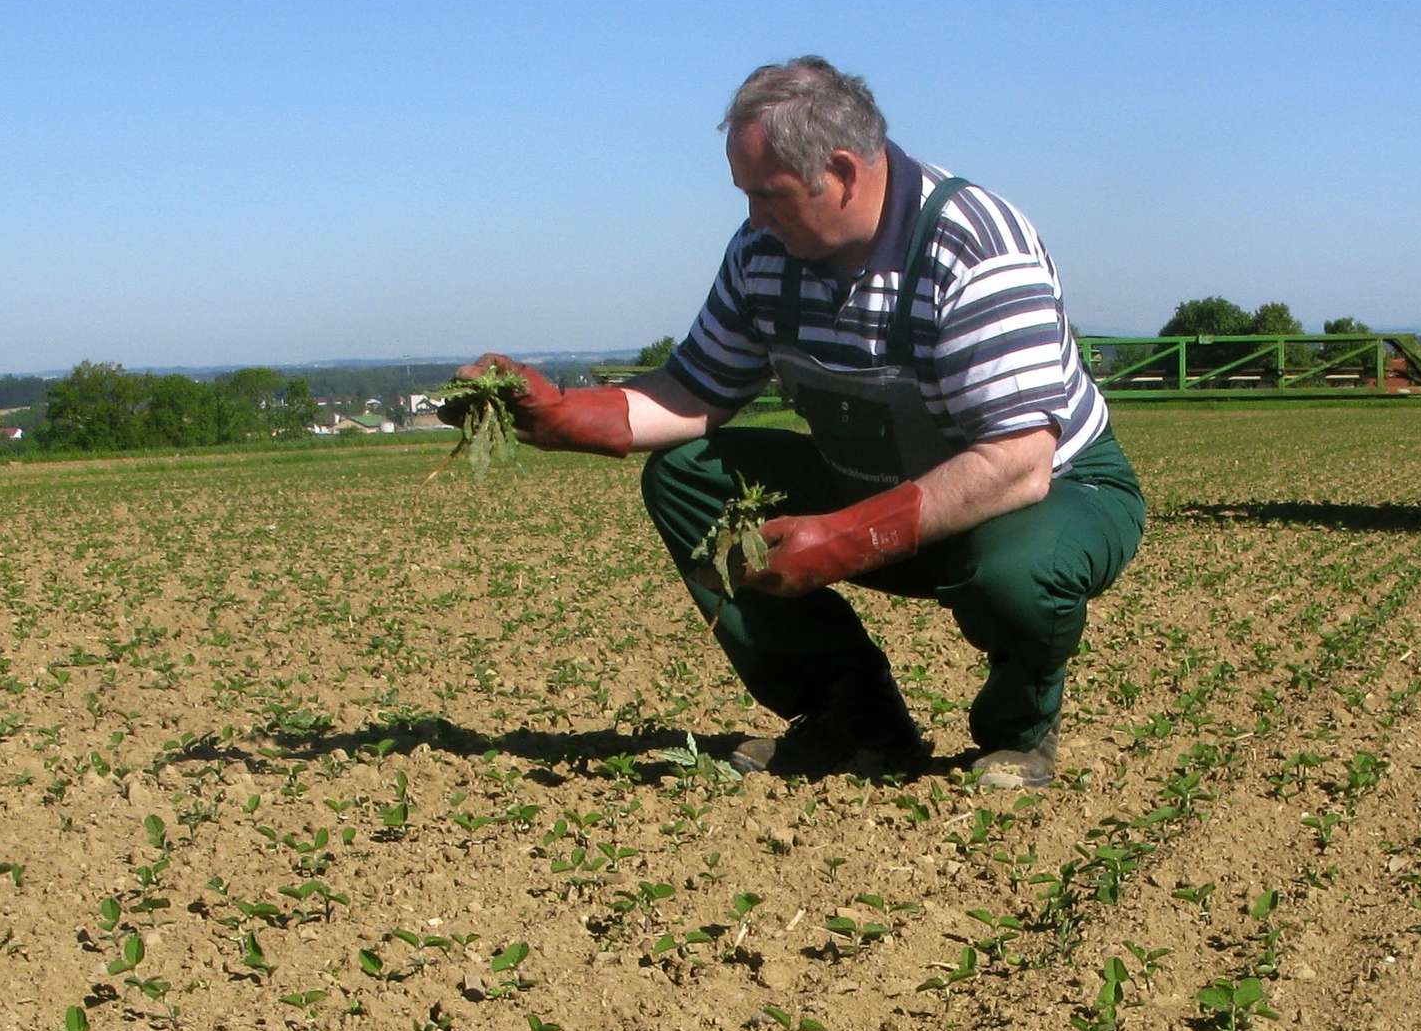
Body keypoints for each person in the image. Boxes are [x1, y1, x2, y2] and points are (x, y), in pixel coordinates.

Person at [448, 57, 1144, 789]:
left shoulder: (973, 246)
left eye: (767, 194)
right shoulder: (763, 254)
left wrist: (844, 539)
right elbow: (693, 390)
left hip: (1046, 496)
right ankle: (853, 719)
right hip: (876, 483)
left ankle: (1020, 732)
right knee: (689, 479)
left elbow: (1016, 461)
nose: (752, 217)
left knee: (1018, 575)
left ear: (840, 171)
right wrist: (557, 413)